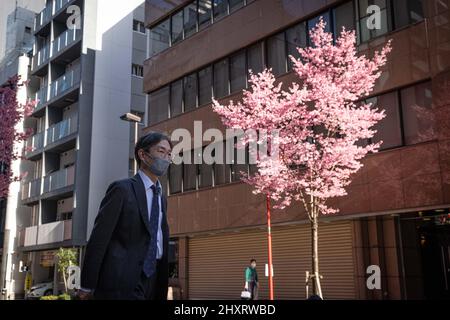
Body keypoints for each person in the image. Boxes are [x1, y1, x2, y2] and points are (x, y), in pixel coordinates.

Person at [78, 132, 172, 300]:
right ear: (143, 155)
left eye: (169, 154)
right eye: (161, 151)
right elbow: (99, 238)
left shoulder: (161, 197)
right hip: (122, 280)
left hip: (155, 279)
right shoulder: (122, 189)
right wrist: (87, 283)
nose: (166, 158)